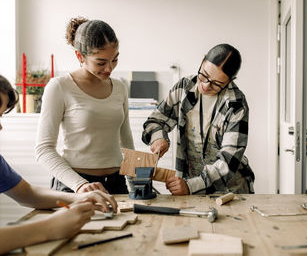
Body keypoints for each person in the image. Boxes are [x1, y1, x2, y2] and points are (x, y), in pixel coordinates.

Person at [0, 75, 117, 254]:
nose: (0, 127)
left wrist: (79, 197)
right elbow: (44, 149)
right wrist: (48, 228)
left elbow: (27, 193)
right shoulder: (59, 86)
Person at [35, 17, 134, 194]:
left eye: (115, 60)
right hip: (75, 185)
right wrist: (80, 185)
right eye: (101, 62)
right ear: (80, 56)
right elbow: (43, 150)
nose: (109, 69)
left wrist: (138, 188)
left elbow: (126, 142)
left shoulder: (120, 87)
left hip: (116, 183)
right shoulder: (59, 87)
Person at [142, 44, 255, 195]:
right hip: (190, 184)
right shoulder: (184, 87)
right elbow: (155, 121)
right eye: (204, 75)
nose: (206, 86)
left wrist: (191, 186)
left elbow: (228, 161)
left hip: (230, 190)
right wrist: (158, 138)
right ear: (202, 61)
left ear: (230, 80)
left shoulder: (236, 105)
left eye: (217, 84)